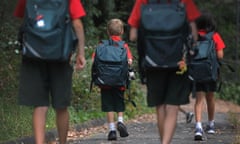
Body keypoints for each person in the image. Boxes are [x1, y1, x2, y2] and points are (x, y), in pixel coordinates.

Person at [13, 0, 86, 144]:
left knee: (40, 105)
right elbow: (77, 23)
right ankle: (62, 142)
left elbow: (22, 17)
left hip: (34, 55)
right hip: (60, 54)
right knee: (61, 105)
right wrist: (80, 53)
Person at [128, 0, 200, 144]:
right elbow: (194, 34)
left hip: (152, 60)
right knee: (172, 106)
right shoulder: (184, 1)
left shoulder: (143, 1)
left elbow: (133, 36)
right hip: (179, 62)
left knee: (160, 105)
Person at [92, 18, 133, 141]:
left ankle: (112, 130)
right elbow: (129, 61)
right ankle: (120, 121)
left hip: (105, 82)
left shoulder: (101, 45)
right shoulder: (123, 46)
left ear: (107, 32)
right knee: (119, 102)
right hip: (120, 80)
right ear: (121, 31)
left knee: (108, 105)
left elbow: (94, 61)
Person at [194, 11, 226, 141]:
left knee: (199, 100)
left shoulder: (194, 36)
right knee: (210, 97)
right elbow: (220, 55)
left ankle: (198, 126)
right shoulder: (215, 36)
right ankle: (211, 124)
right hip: (211, 71)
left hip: (197, 71)